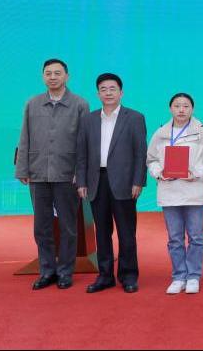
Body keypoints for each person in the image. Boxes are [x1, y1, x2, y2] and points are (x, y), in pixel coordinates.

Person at [15, 58, 90, 290]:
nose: (53, 77)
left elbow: (84, 142)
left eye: (57, 73)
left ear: (67, 76)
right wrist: (22, 168)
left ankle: (65, 271)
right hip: (38, 173)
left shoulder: (80, 104)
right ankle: (47, 271)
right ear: (43, 77)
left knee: (68, 226)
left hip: (67, 175)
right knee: (42, 226)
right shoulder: (32, 103)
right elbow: (25, 137)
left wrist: (80, 172)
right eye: (48, 73)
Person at [75, 73, 147, 294]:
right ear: (98, 94)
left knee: (126, 232)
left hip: (124, 182)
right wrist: (81, 181)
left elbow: (140, 153)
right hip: (96, 182)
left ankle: (128, 275)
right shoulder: (88, 119)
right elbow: (82, 153)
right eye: (103, 89)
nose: (108, 93)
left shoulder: (134, 117)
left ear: (121, 92)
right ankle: (105, 275)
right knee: (102, 232)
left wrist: (138, 181)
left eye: (112, 88)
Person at [146, 93, 203, 295]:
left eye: (186, 106)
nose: (181, 109)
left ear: (192, 109)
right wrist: (159, 173)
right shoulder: (161, 133)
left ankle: (193, 276)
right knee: (175, 238)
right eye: (177, 106)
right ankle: (178, 276)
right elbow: (151, 160)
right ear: (170, 109)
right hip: (169, 192)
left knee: (196, 237)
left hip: (194, 192)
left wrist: (196, 173)